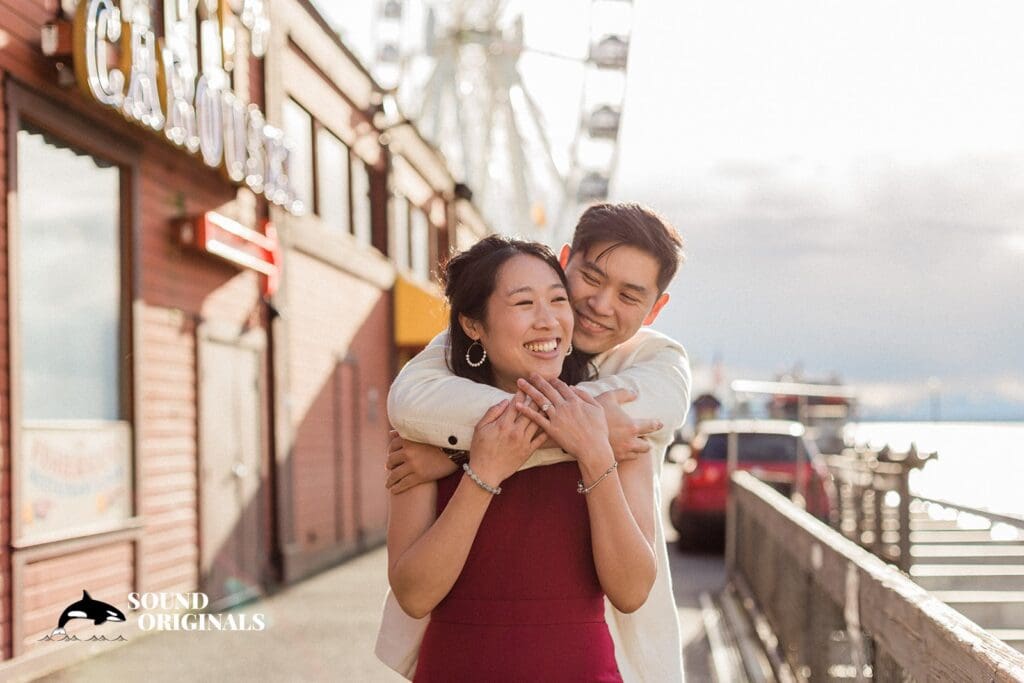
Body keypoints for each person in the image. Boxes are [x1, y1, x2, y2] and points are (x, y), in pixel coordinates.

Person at [377, 203, 691, 682]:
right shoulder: (435, 412)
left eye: (629, 295)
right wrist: (479, 460)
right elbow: (414, 593)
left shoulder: (637, 390)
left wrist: (458, 456)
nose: (599, 306)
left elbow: (631, 590)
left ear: (655, 308)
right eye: (524, 303)